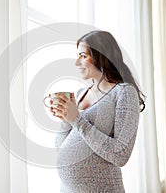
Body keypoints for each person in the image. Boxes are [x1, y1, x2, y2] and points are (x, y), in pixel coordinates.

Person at [48, 30, 145, 192]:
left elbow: (121, 155)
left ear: (102, 56)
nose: (77, 63)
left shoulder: (124, 92)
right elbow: (60, 147)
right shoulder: (79, 94)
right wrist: (65, 118)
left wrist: (76, 120)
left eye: (83, 56)